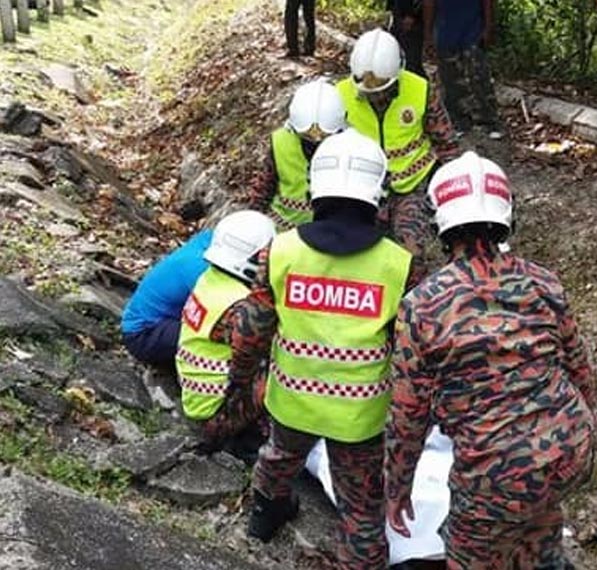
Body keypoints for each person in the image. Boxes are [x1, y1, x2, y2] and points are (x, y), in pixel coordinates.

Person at [385, 152, 597, 569]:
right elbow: (581, 373)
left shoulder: (423, 306)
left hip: (494, 472)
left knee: (470, 554)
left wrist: (397, 488)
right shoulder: (543, 281)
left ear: (438, 223)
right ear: (507, 216)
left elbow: (408, 415)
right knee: (537, 524)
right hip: (570, 448)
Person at [230, 129, 413, 570]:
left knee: (278, 457)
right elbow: (410, 350)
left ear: (315, 189)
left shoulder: (280, 251)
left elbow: (251, 330)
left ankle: (264, 516)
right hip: (359, 416)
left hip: (292, 400)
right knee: (362, 501)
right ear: (379, 194)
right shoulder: (398, 264)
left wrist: (239, 383)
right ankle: (363, 559)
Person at [336, 28, 459, 280]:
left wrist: (455, 192)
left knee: (409, 253)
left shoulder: (420, 91)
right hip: (361, 190)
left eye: (382, 90)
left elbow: (446, 143)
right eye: (369, 92)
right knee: (359, 252)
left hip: (410, 187)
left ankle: (413, 307)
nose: (376, 96)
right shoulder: (339, 97)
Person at [175, 210, 276, 455]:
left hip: (195, 391)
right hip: (215, 408)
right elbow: (265, 347)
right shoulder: (239, 306)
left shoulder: (211, 279)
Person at [248, 79, 347, 231]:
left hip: (331, 233)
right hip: (285, 233)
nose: (315, 139)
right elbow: (264, 187)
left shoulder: (350, 146)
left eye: (323, 135)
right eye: (308, 135)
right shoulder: (281, 142)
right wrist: (251, 222)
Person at [121, 229, 213, 369]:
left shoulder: (206, 241)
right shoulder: (199, 265)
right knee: (217, 340)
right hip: (144, 334)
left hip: (156, 323)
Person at [423, 0, 504, 139]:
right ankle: (459, 121)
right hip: (445, 33)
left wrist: (488, 27)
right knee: (450, 81)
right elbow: (429, 4)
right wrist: (428, 36)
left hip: (473, 32)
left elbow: (487, 2)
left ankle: (490, 121)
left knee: (479, 77)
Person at [387, 0, 426, 77]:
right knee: (397, 58)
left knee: (411, 63)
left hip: (412, 19)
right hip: (398, 15)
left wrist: (412, 14)